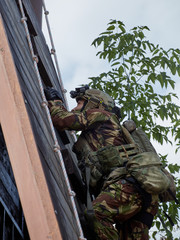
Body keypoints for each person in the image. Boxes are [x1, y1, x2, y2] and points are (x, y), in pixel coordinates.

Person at [44, 85, 159, 240]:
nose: (76, 107)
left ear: (93, 104)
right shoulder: (104, 126)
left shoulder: (100, 115)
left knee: (96, 213)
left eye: (79, 103)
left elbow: (62, 120)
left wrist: (55, 101)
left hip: (129, 184)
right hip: (144, 194)